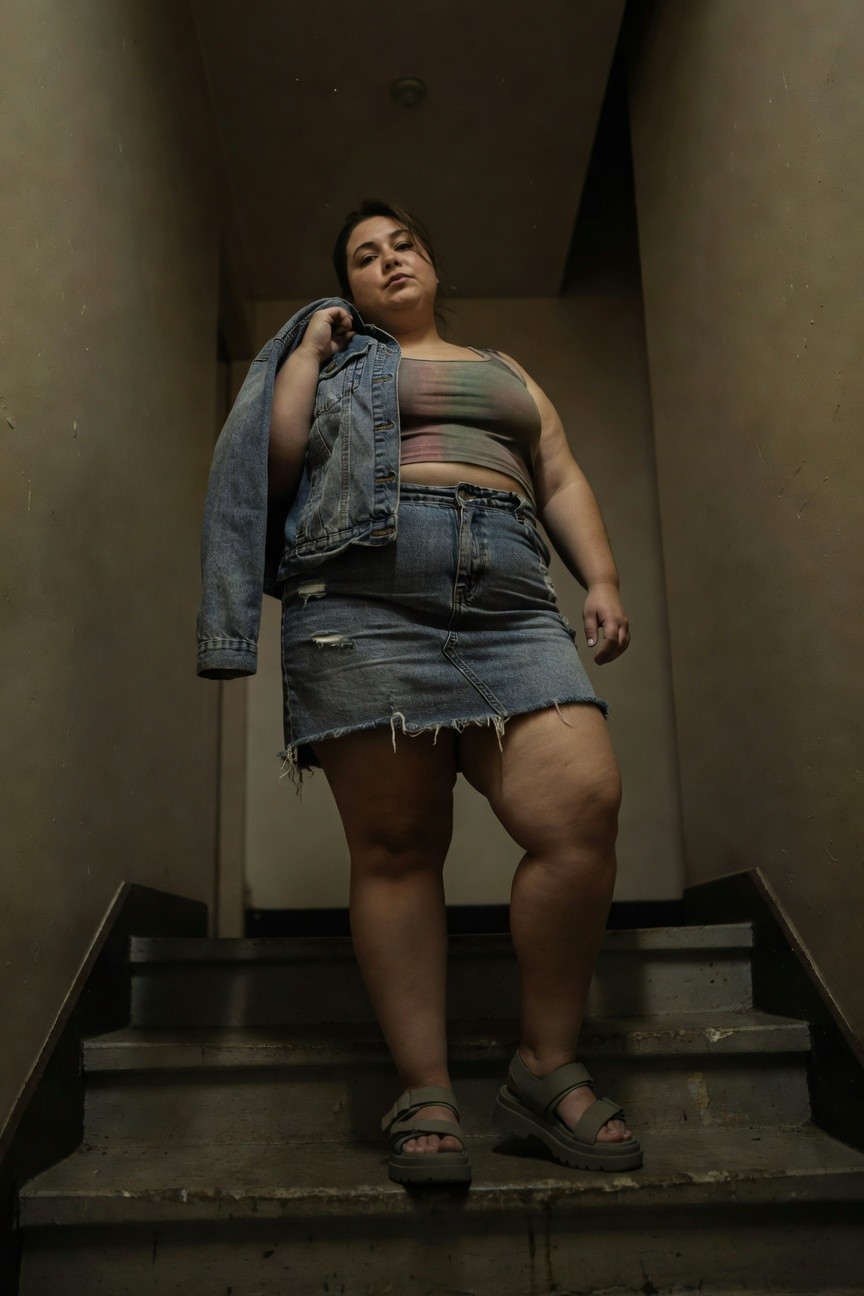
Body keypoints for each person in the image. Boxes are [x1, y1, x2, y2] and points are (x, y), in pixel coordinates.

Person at [261, 200, 641, 1185]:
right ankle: (423, 1085)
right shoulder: (334, 360)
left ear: (431, 260)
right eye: (364, 257)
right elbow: (278, 458)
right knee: (396, 848)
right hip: (362, 592)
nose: (389, 262)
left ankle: (544, 1064)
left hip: (510, 595)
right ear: (345, 286)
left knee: (581, 809)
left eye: (404, 245)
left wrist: (598, 576)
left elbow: (557, 473)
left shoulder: (508, 372)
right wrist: (305, 346)